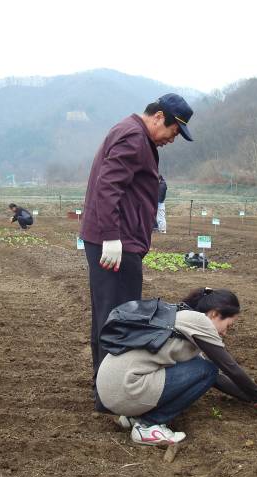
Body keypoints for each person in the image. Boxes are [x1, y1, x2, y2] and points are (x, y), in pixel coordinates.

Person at [80, 93, 194, 380]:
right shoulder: (133, 136)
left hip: (120, 239)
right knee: (119, 318)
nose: (172, 139)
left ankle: (105, 385)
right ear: (158, 117)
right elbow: (108, 185)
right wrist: (111, 237)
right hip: (118, 243)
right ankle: (113, 389)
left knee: (109, 315)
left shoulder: (132, 133)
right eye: (174, 130)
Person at [96, 288, 257, 446]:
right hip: (127, 390)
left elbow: (215, 377)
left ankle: (133, 417)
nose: (225, 333)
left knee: (203, 369)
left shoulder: (179, 315)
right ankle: (148, 425)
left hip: (112, 390)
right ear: (215, 314)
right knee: (206, 369)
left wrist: (253, 399)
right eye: (228, 325)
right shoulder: (199, 322)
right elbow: (226, 367)